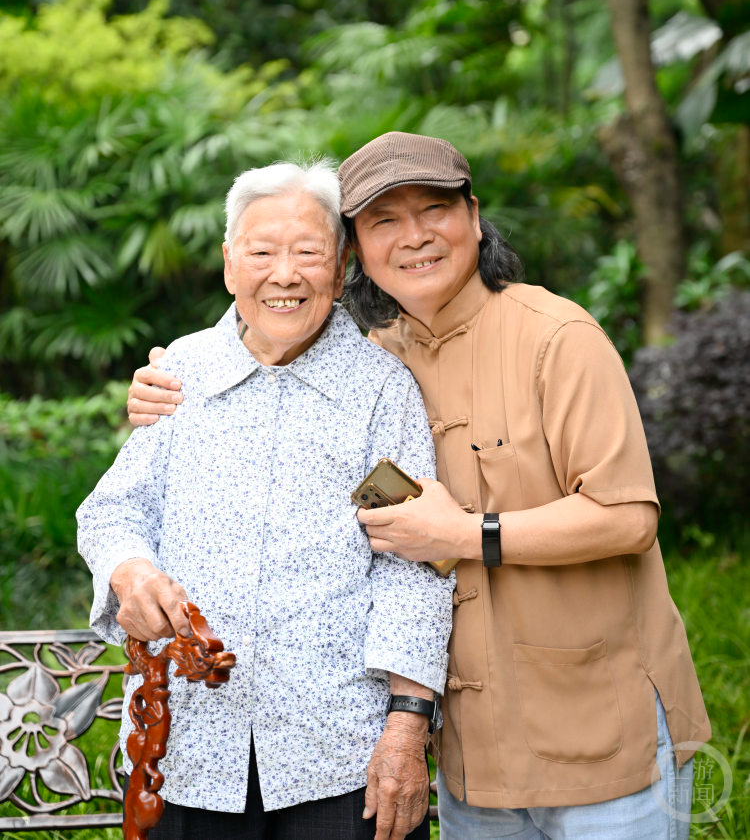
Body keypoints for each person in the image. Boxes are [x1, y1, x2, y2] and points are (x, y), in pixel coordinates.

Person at [128, 133, 711, 840]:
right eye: (383, 222)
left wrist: (469, 535)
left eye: (434, 209)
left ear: (473, 215)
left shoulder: (557, 338)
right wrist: (165, 385)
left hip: (601, 729)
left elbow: (627, 519)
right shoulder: (377, 367)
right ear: (358, 255)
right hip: (478, 751)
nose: (414, 237)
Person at [78, 160, 454, 840]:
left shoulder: (380, 391)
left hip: (340, 754)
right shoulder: (180, 375)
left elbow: (411, 563)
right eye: (262, 252)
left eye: (307, 253)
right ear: (229, 264)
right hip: (187, 750)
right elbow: (113, 511)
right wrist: (128, 570)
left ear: (339, 270)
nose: (285, 275)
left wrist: (406, 725)